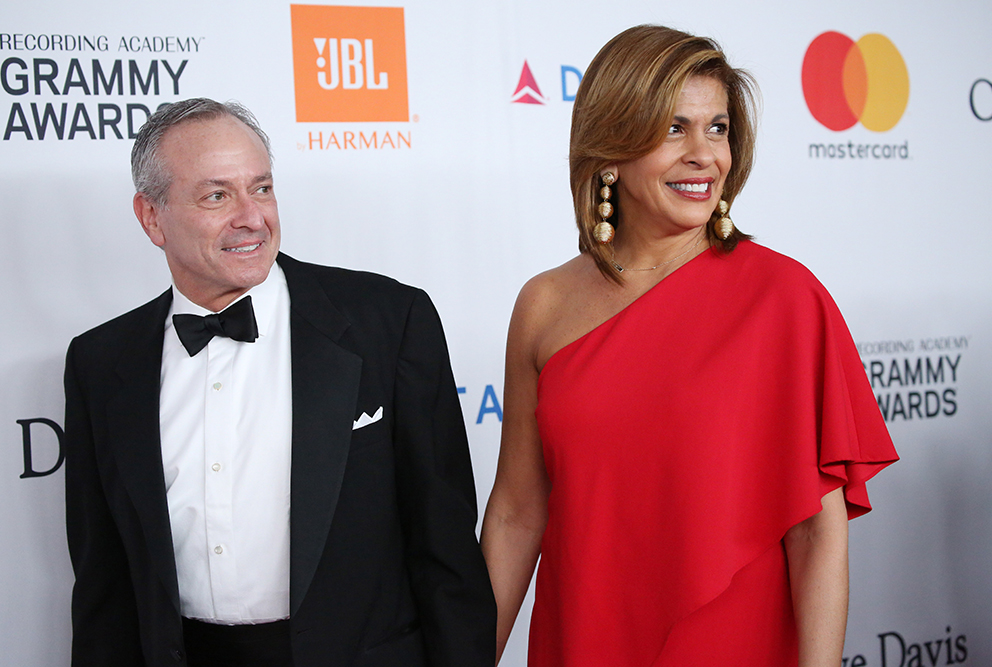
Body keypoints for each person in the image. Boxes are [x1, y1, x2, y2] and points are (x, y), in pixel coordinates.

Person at [480, 25, 898, 667]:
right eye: (674, 128)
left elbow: (817, 530)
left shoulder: (783, 299)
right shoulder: (545, 304)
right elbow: (515, 513)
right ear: (610, 149)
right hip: (585, 641)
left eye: (718, 128)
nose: (704, 154)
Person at [64, 98, 496, 667]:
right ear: (151, 218)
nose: (251, 216)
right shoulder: (101, 362)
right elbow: (104, 585)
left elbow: (446, 554)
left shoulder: (387, 322)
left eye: (261, 188)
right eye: (217, 195)